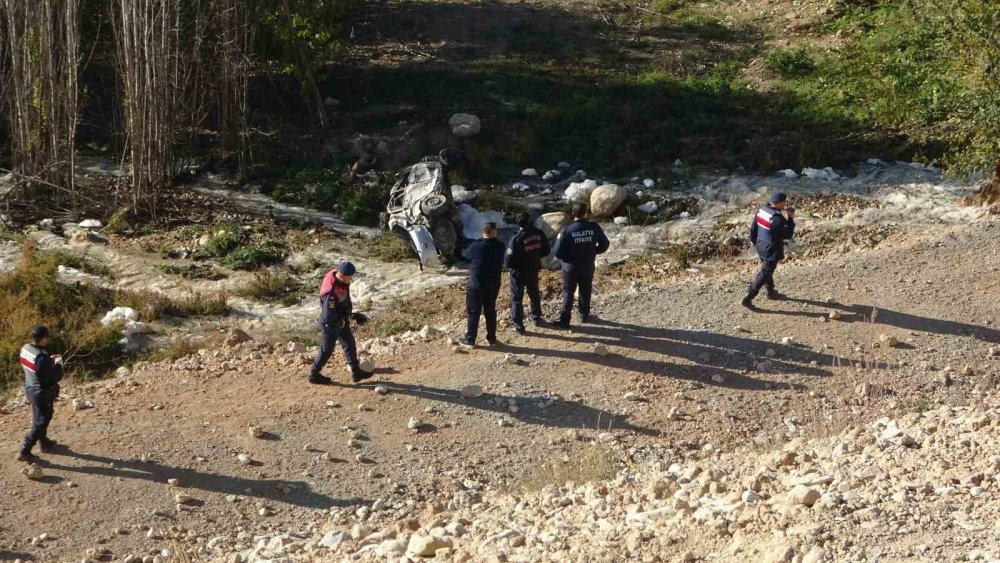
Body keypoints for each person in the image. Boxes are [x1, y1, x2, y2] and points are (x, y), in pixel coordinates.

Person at [309, 261, 375, 385]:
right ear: (343, 276)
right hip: (331, 323)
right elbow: (328, 314)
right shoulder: (330, 293)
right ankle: (314, 374)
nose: (351, 279)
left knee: (349, 343)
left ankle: (356, 372)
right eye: (350, 277)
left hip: (341, 319)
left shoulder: (336, 275)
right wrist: (339, 321)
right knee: (326, 350)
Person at [551, 203, 610, 328]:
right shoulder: (594, 227)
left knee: (568, 292)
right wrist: (594, 251)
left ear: (573, 214)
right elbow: (605, 244)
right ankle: (584, 315)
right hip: (587, 265)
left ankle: (565, 320)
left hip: (570, 267)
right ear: (586, 213)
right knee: (585, 289)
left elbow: (556, 252)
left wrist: (566, 257)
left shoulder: (566, 230)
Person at [18, 325, 64, 462]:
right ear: (43, 339)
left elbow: (36, 366)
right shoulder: (41, 357)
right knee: (42, 420)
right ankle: (25, 450)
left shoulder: (25, 348)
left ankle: (44, 443)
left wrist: (49, 361)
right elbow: (52, 377)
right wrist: (58, 365)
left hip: (30, 388)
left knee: (40, 417)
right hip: (41, 393)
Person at [742, 192, 796, 308]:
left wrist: (754, 242)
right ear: (778, 204)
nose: (785, 204)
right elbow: (787, 235)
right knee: (765, 273)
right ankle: (749, 296)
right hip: (771, 250)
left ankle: (770, 291)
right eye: (784, 202)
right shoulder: (777, 218)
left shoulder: (762, 210)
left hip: (760, 245)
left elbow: (753, 228)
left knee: (768, 270)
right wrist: (790, 218)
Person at [460, 222, 505, 346]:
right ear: (494, 232)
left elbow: (465, 256)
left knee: (474, 312)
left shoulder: (475, 246)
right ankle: (492, 339)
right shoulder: (501, 246)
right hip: (493, 284)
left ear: (484, 232)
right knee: (490, 310)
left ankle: (470, 339)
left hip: (476, 285)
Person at [505, 212, 550, 333]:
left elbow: (508, 261)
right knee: (534, 293)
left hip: (519, 272)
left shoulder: (516, 238)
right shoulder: (539, 233)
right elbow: (546, 250)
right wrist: (534, 257)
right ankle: (536, 317)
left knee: (517, 298)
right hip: (533, 269)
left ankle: (518, 325)